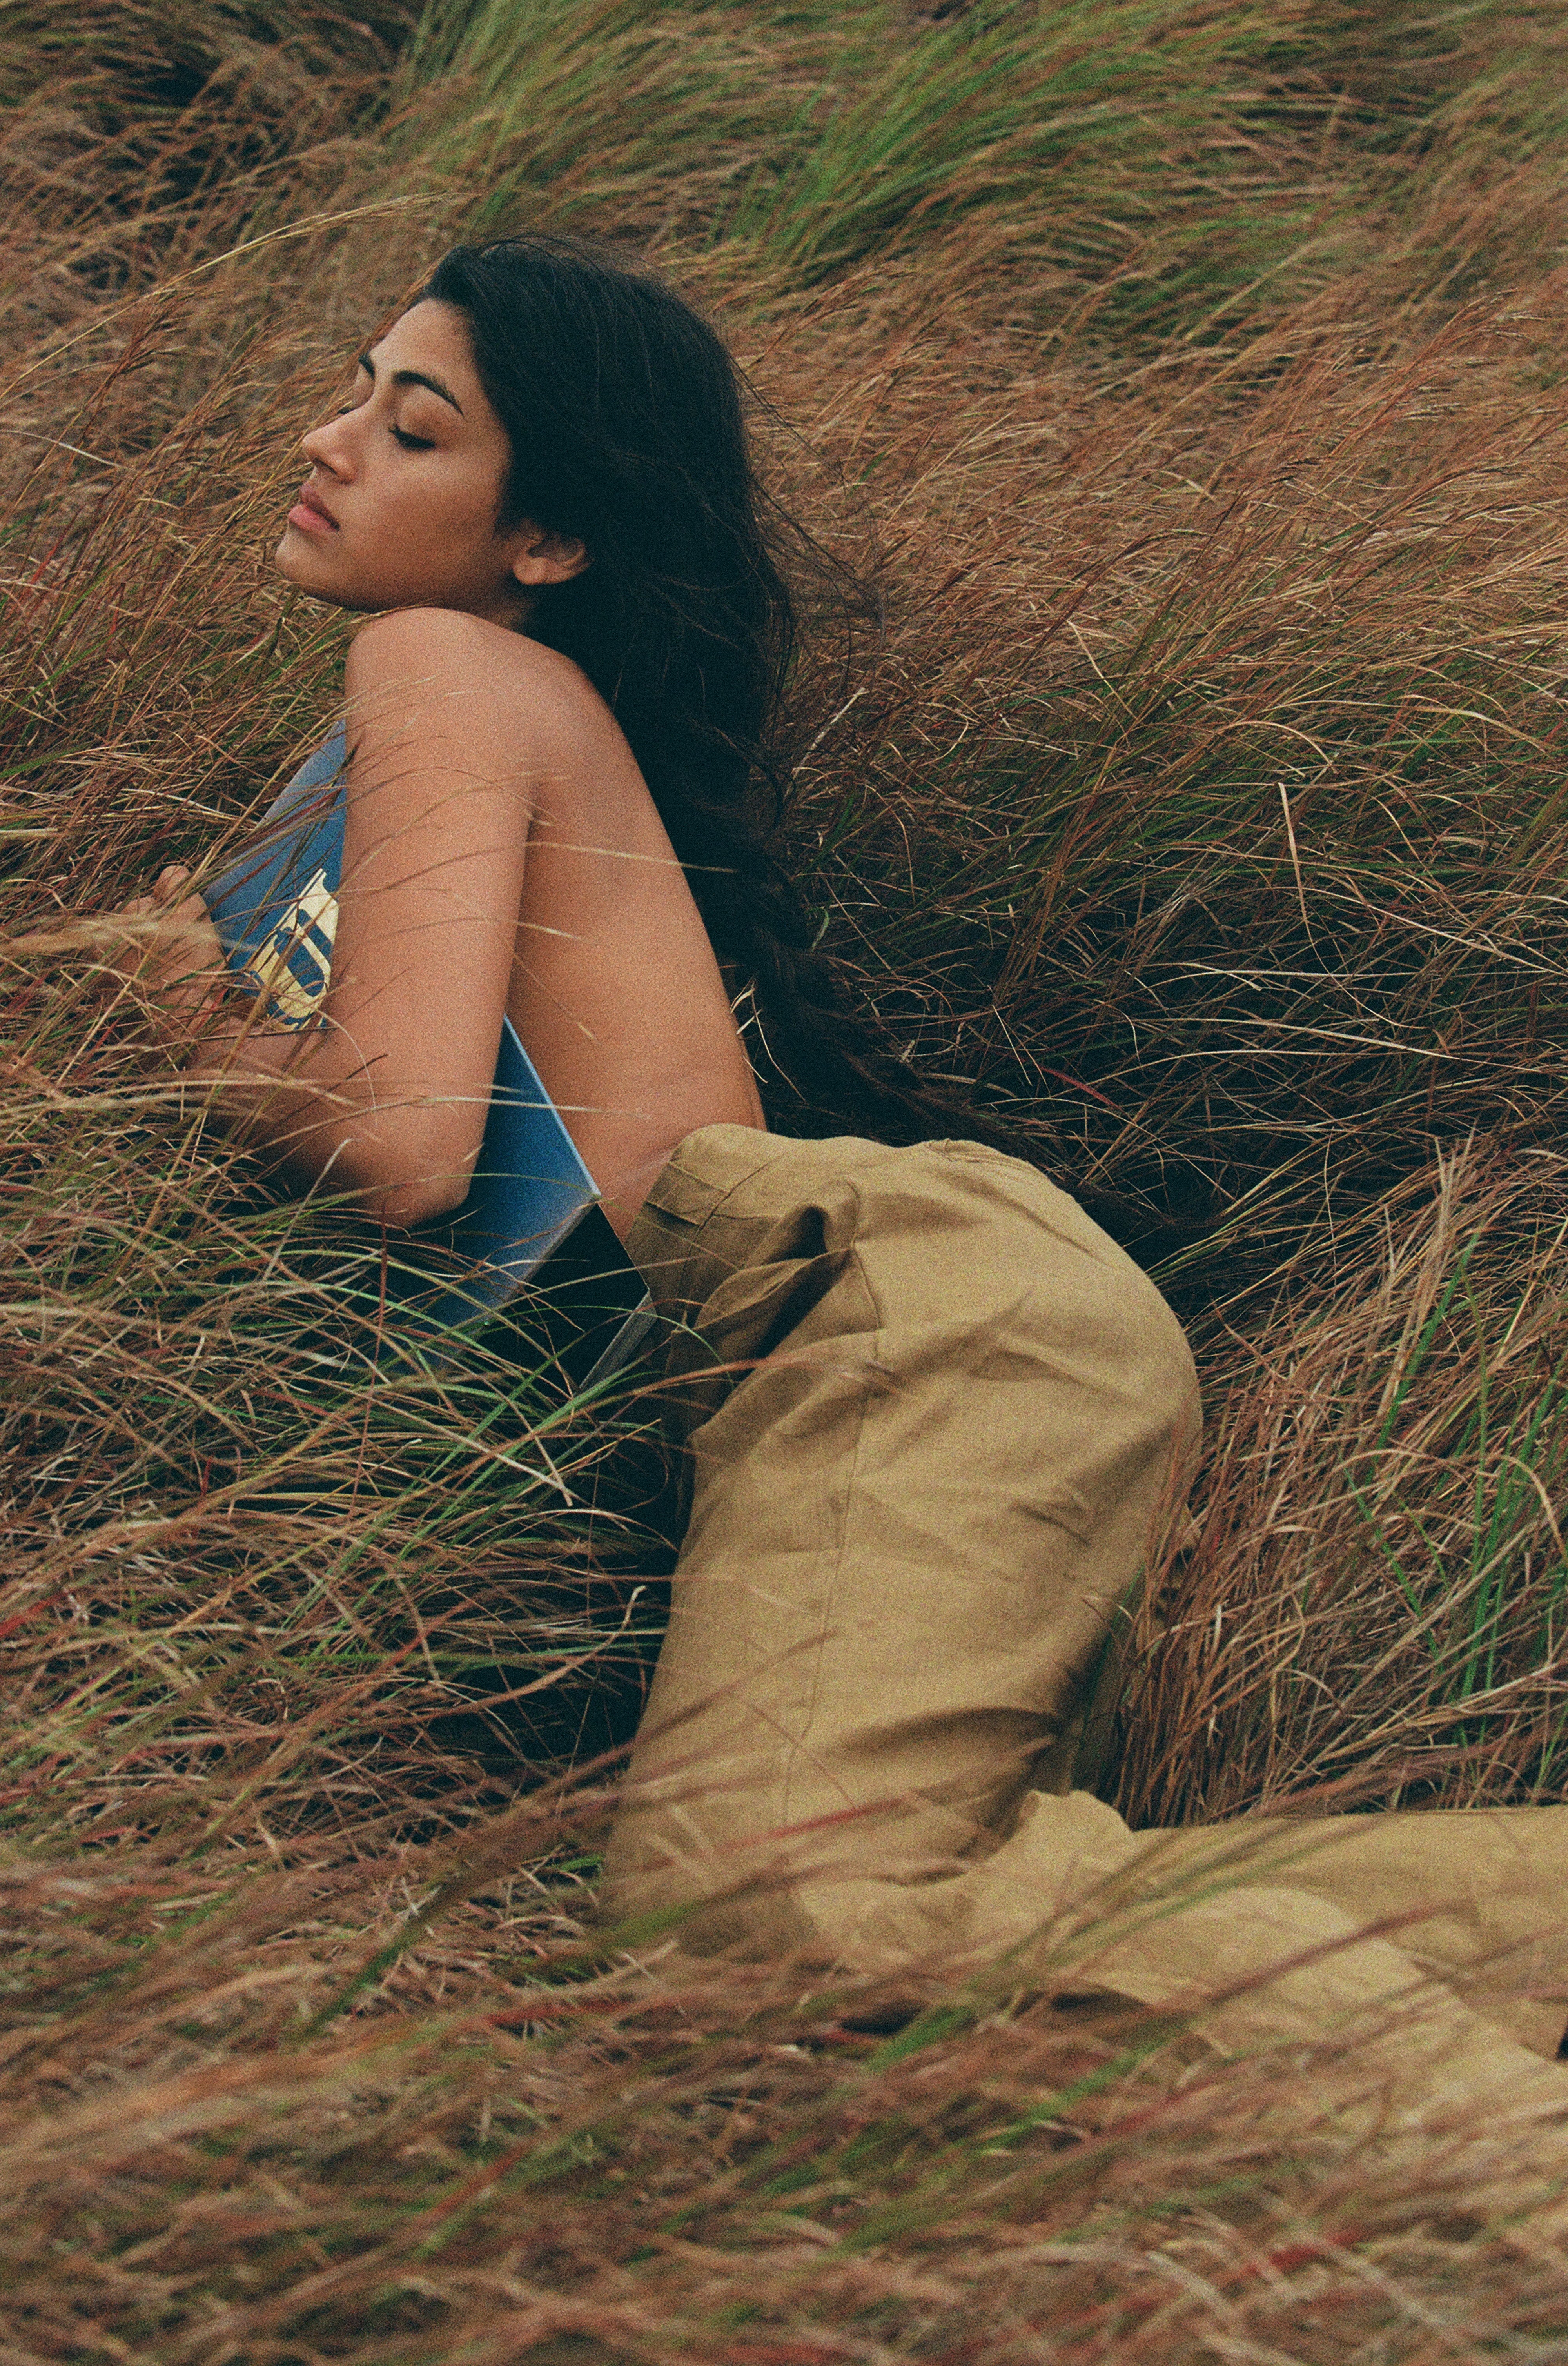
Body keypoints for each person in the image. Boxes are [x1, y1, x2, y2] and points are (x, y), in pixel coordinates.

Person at [116, 236, 1568, 2133]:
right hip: (931, 1331)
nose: (326, 442)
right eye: (353, 392)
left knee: (760, 1919)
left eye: (408, 426)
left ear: (543, 539)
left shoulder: (438, 662)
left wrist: (173, 1013)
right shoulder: (460, 708)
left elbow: (396, 1140)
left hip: (907, 1328)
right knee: (891, 1906)